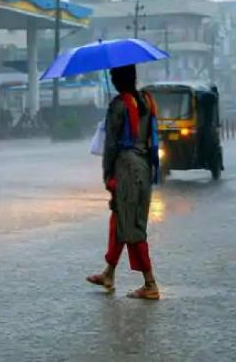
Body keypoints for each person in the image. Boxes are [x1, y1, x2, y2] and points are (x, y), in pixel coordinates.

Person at [86, 65, 160, 300]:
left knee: (132, 224)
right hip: (144, 166)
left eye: (113, 76)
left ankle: (150, 283)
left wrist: (108, 174)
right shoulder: (147, 100)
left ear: (118, 80)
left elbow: (110, 145)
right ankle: (109, 273)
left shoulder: (118, 106)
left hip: (126, 169)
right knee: (120, 219)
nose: (112, 80)